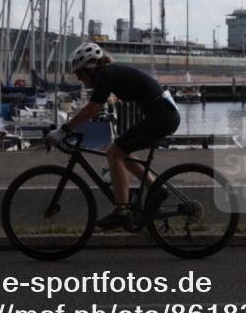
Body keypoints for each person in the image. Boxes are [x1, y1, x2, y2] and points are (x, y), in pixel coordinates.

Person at [45, 43, 180, 229]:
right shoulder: (108, 73)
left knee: (114, 153)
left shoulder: (105, 74)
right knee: (122, 153)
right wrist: (66, 129)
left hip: (161, 116)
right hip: (163, 114)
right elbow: (92, 109)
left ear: (90, 69)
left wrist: (63, 130)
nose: (79, 79)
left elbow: (92, 109)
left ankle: (122, 211)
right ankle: (156, 190)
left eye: (80, 74)